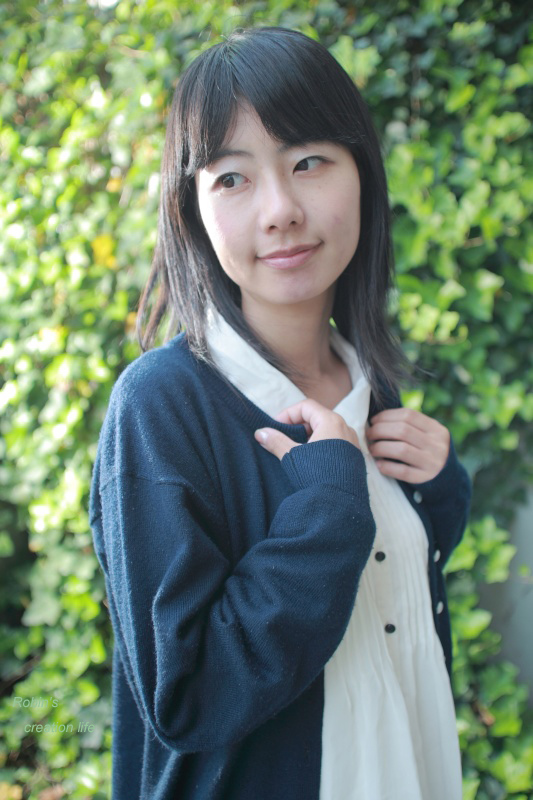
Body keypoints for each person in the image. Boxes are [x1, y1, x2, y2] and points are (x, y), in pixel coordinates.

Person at [89, 26, 472, 800]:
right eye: (232, 178)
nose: (280, 210)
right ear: (192, 210)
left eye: (308, 162)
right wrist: (328, 502)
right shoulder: (161, 406)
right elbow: (188, 696)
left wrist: (436, 494)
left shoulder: (367, 381)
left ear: (360, 173)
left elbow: (383, 606)